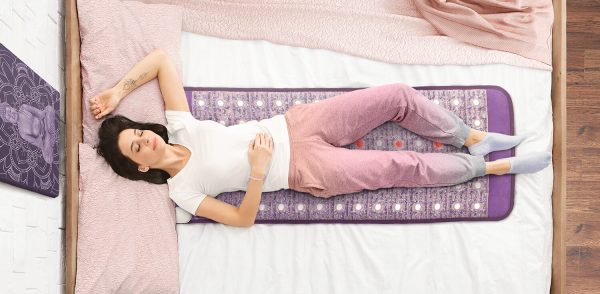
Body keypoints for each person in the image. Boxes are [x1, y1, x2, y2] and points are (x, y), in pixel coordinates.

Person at [90, 49, 551, 228]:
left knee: (395, 96)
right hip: (301, 170)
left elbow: (160, 61)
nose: (145, 141)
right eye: (135, 148)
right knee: (399, 168)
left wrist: (118, 91)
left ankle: (472, 137)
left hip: (298, 125)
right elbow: (241, 219)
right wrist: (255, 173)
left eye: (138, 134)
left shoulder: (181, 128)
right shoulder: (182, 191)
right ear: (141, 166)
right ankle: (488, 167)